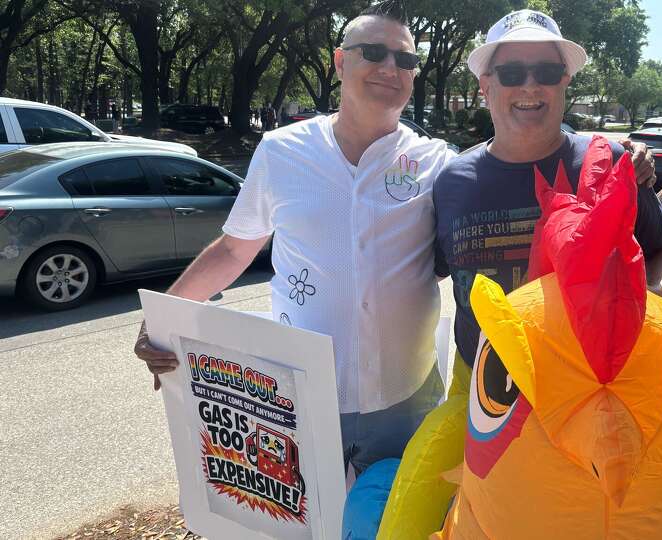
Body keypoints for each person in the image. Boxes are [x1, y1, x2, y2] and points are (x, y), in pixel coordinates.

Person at [376, 9, 662, 537]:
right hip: (484, 395)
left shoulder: (606, 162)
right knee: (437, 511)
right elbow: (414, 271)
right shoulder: (452, 182)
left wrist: (648, 312)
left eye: (546, 71)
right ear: (486, 86)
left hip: (600, 402)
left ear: (565, 80)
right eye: (512, 74)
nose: (530, 86)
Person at [133, 2, 458, 476]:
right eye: (375, 53)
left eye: (405, 60)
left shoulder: (435, 162)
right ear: (341, 61)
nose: (392, 69)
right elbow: (233, 249)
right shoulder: (282, 150)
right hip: (297, 394)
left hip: (407, 397)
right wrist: (159, 319)